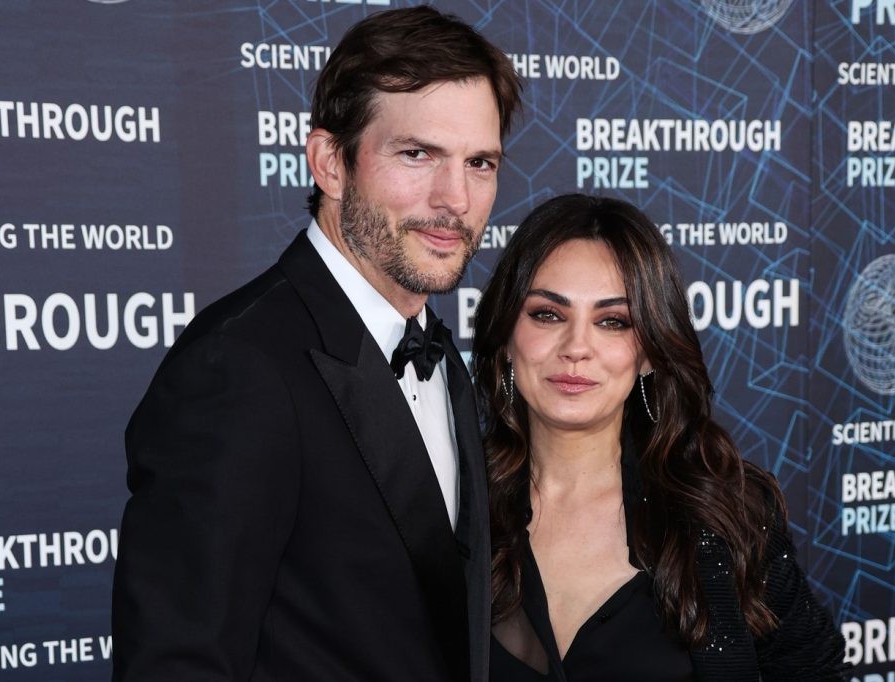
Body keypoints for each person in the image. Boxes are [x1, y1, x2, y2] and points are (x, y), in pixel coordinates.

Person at [112, 7, 521, 681]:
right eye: (417, 154)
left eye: (480, 163)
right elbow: (177, 663)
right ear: (330, 163)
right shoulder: (237, 367)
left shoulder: (439, 353)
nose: (456, 198)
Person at [471, 194, 849, 681]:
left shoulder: (723, 512)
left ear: (649, 351)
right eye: (548, 314)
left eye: (613, 321)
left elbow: (812, 669)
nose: (576, 347)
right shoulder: (453, 505)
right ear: (506, 336)